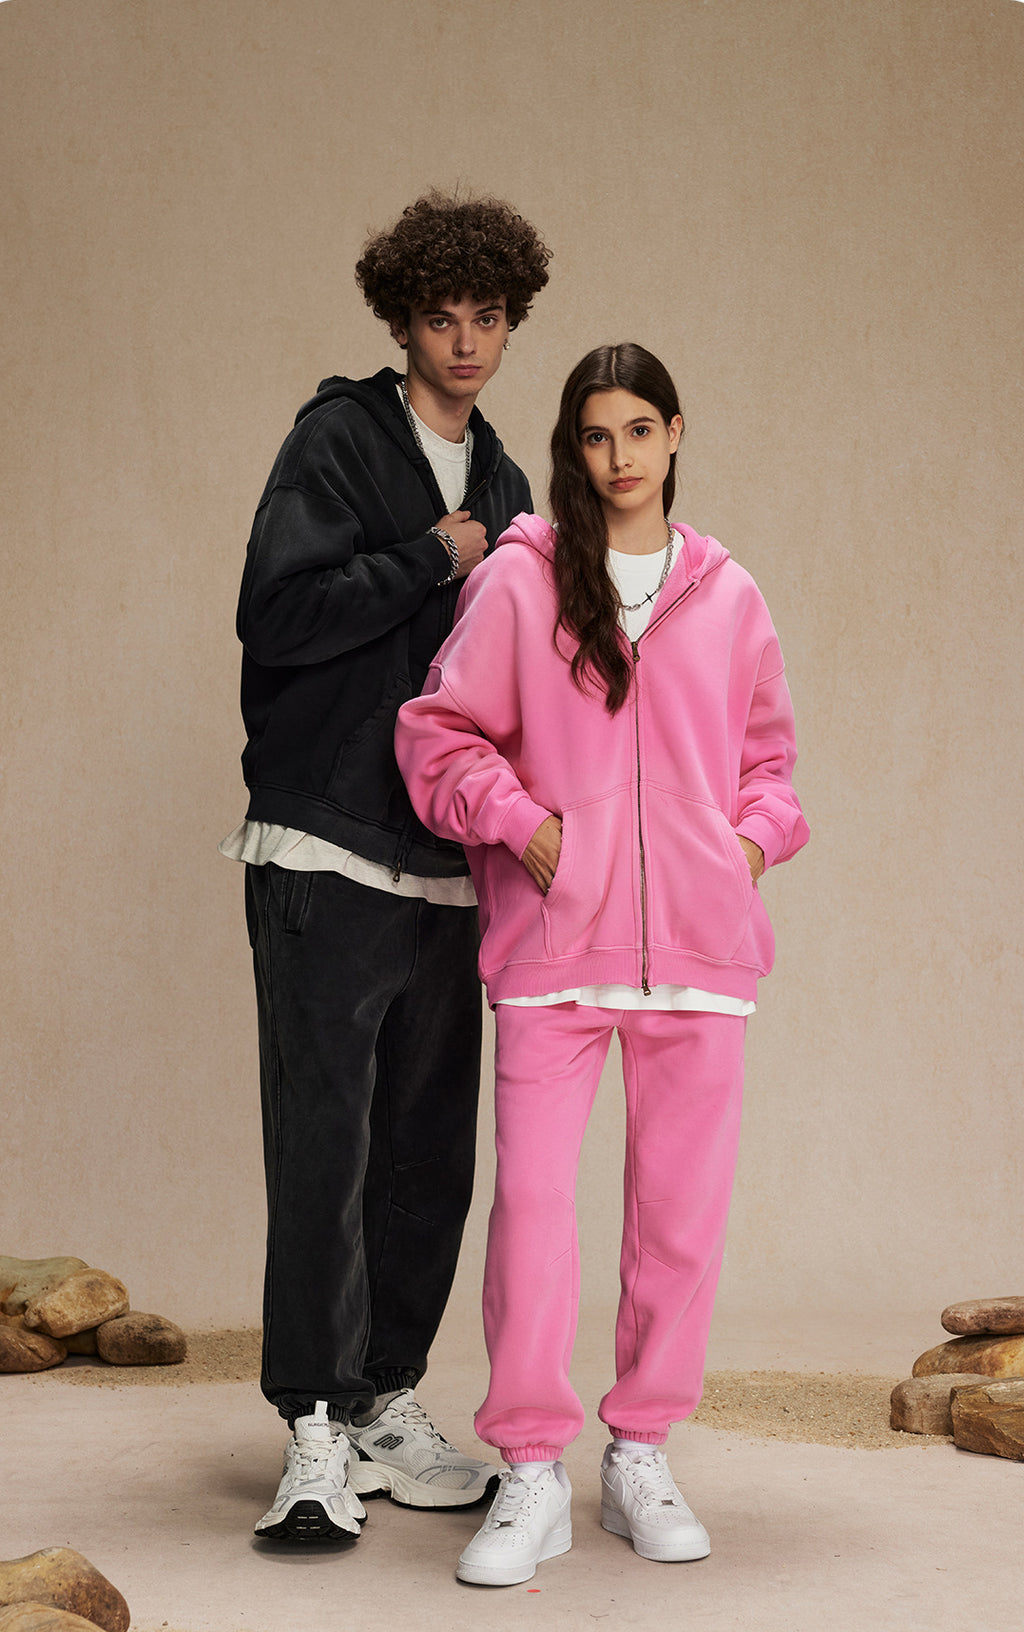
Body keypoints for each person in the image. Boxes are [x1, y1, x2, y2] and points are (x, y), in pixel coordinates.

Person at [395, 342, 809, 1585]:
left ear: (674, 434)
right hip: (553, 947)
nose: (617, 456)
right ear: (572, 449)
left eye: (638, 429)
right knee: (532, 1213)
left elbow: (772, 768)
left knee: (678, 1222)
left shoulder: (729, 596)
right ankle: (531, 1469)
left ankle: (639, 1454)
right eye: (593, 434)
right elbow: (437, 736)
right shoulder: (522, 583)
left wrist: (739, 849)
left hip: (697, 953)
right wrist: (528, 829)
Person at [221, 192, 551, 1542]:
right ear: (401, 322)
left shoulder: (512, 486)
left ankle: (386, 1402)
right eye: (439, 317)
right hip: (325, 842)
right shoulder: (341, 441)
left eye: (487, 317)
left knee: (425, 1154)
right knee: (326, 1147)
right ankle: (312, 1425)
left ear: (510, 325)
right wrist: (430, 556)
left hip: (449, 863)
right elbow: (277, 614)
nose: (463, 340)